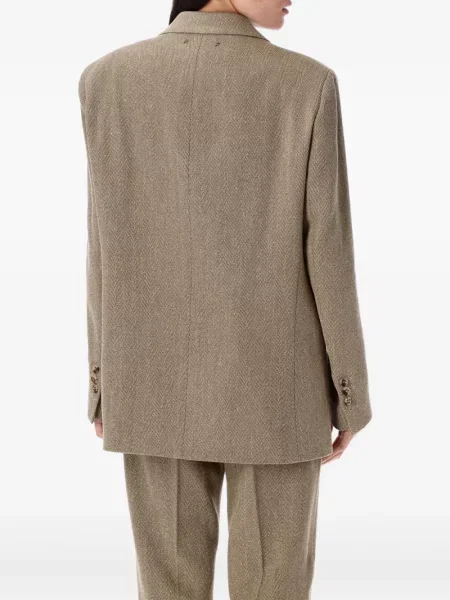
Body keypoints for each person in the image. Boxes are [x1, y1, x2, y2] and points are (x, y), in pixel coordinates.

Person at [78, 0, 373, 598]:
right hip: (277, 394)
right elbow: (330, 252)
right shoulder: (307, 85)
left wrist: (103, 380)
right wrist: (350, 396)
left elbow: (103, 244)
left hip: (150, 385)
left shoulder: (105, 80)